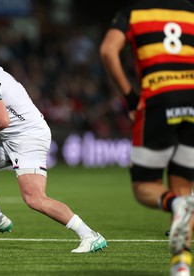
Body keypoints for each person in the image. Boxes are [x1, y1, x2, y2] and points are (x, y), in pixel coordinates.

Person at [0, 44, 107, 253]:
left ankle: (90, 235)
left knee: (35, 199)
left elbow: (1, 119)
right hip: (9, 137)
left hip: (27, 137)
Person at [100, 0, 194, 275]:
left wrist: (130, 98)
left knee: (145, 188)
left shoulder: (134, 11)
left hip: (158, 99)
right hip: (192, 101)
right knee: (185, 192)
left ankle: (175, 205)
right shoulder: (190, 11)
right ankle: (181, 266)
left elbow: (108, 51)